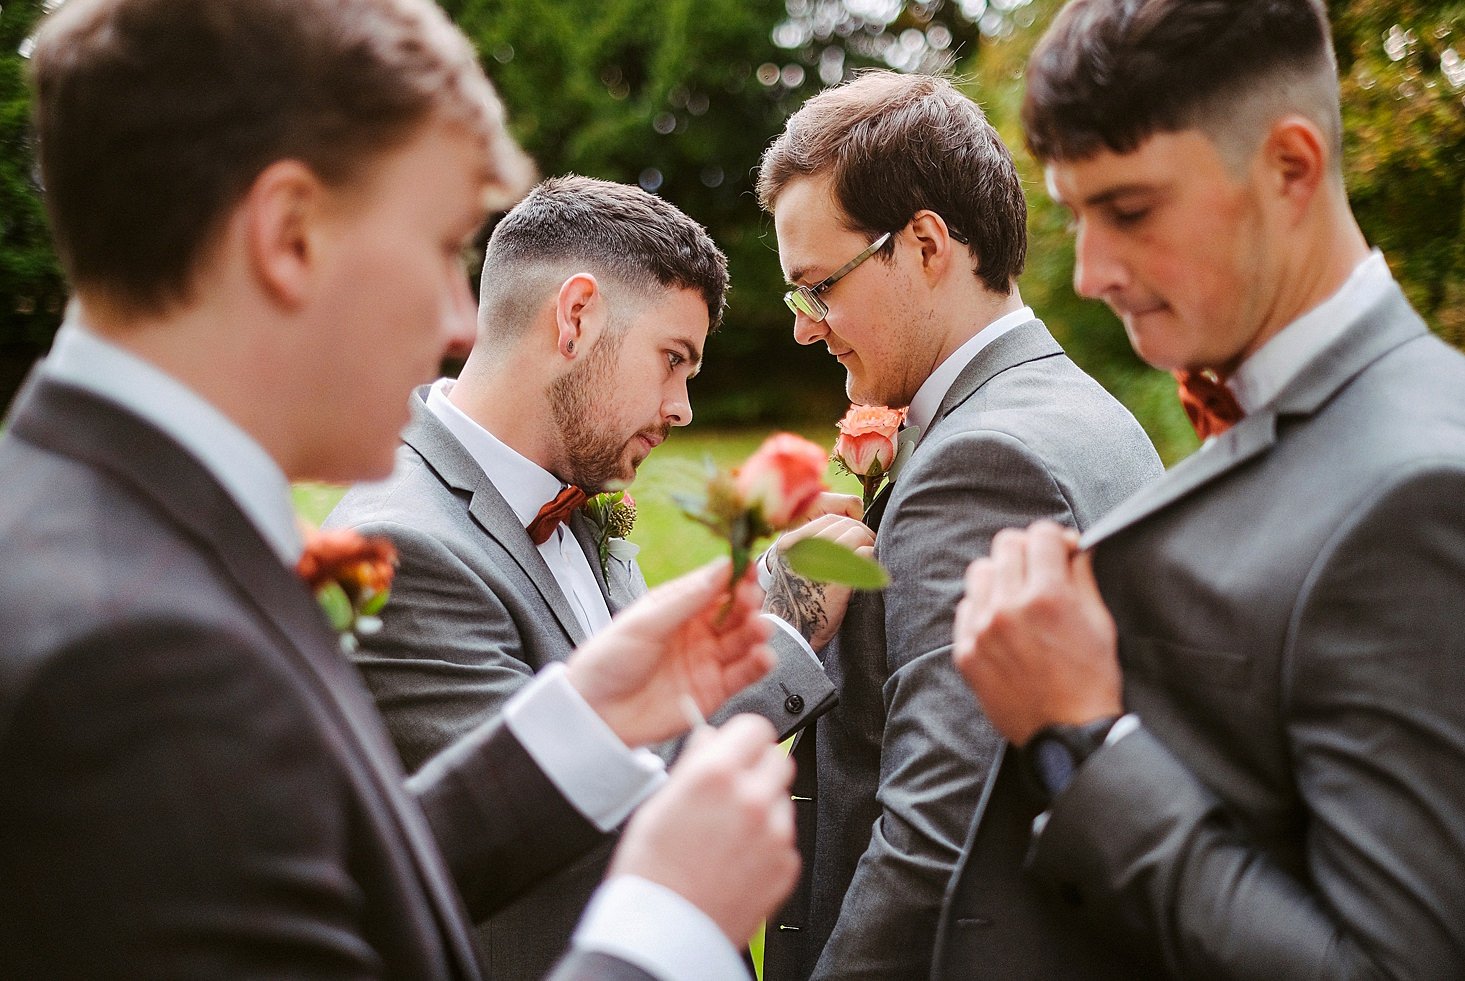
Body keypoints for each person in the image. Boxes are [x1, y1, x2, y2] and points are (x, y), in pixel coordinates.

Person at [0, 0, 799, 978]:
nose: (463, 324)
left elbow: (318, 884)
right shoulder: (135, 656)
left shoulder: (104, 535)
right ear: (290, 235)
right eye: (441, 247)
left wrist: (576, 722)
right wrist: (667, 924)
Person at [941, 0, 1465, 977]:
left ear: (1290, 169)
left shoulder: (1423, 492)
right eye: (1075, 214)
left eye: (1130, 210)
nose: (1091, 270)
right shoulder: (1280, 404)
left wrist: (1083, 734)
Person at [326, 173, 836, 978]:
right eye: (673, 360)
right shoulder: (398, 548)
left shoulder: (576, 488)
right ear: (575, 317)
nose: (682, 407)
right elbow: (568, 820)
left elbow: (632, 700)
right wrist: (786, 620)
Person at [754, 70, 1163, 980]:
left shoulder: (986, 461)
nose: (805, 329)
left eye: (819, 287)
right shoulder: (1078, 408)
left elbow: (932, 834)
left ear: (927, 244)